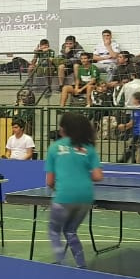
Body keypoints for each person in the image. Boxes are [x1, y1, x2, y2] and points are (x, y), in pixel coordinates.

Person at [43, 112, 103, 268]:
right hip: (85, 198)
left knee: (54, 231)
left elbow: (49, 181)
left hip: (64, 196)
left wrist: (61, 187)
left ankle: (61, 264)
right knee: (70, 231)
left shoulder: (54, 148)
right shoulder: (88, 148)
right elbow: (98, 176)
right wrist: (81, 177)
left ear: (63, 129)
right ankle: (81, 266)